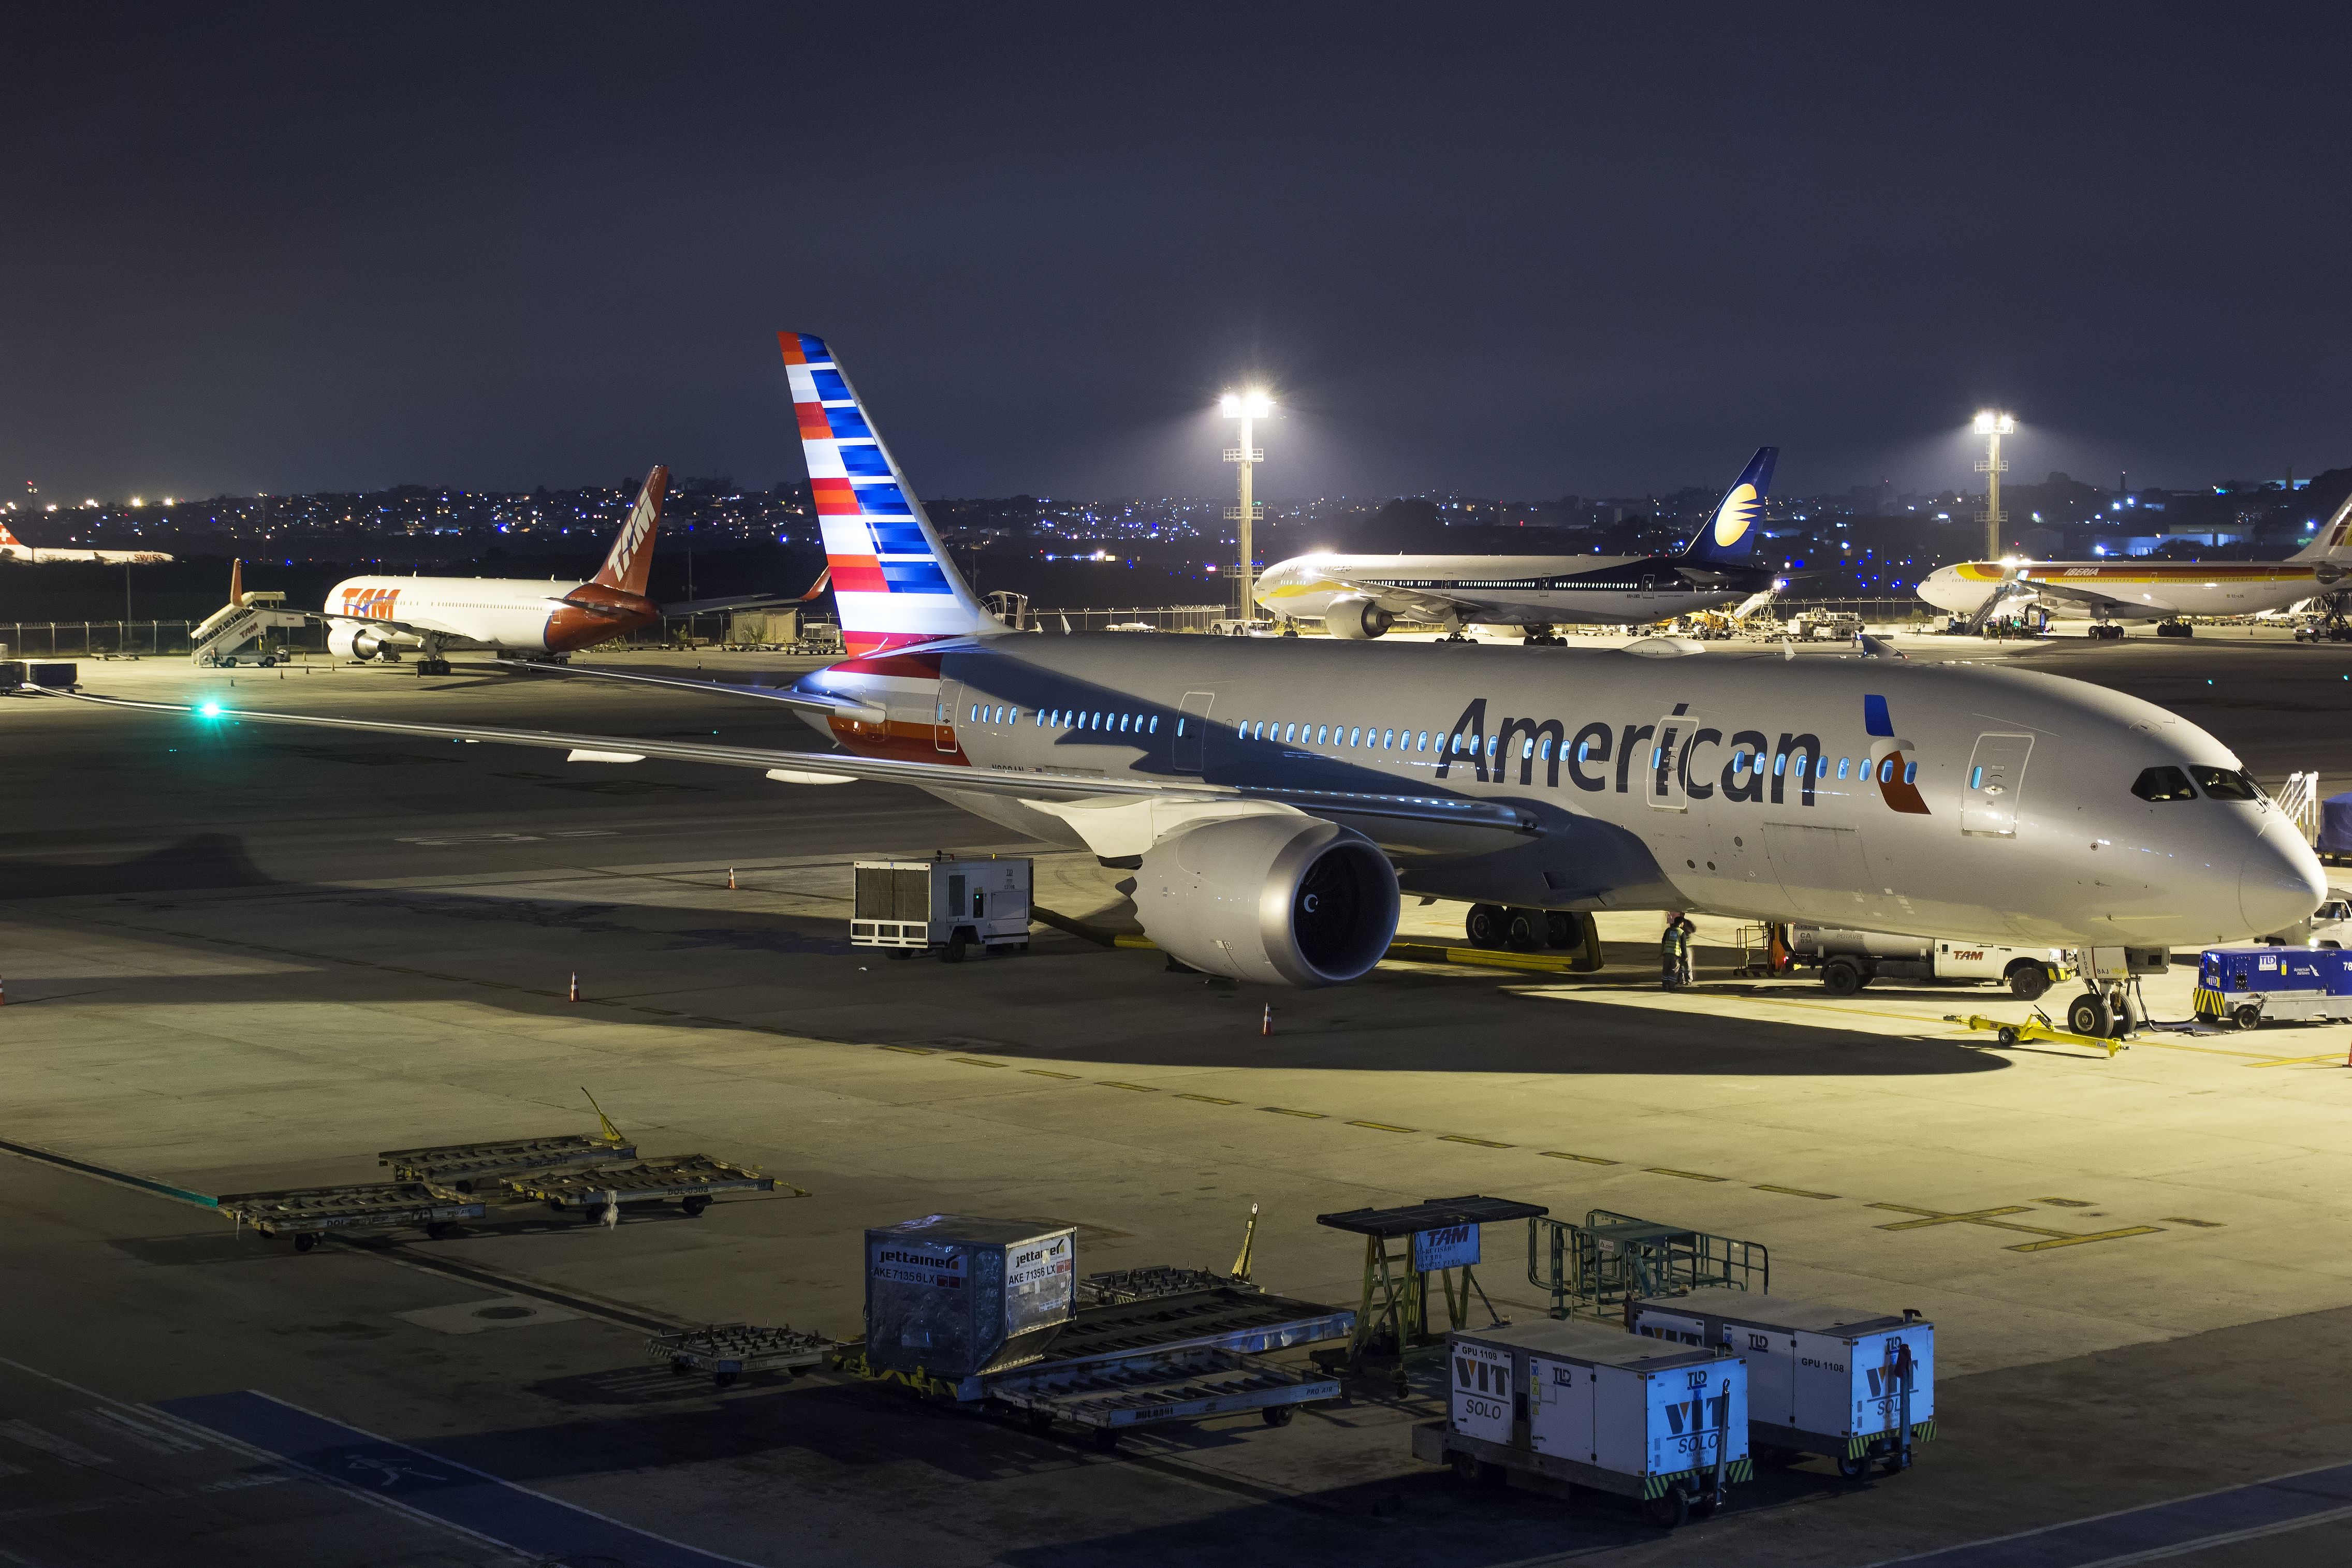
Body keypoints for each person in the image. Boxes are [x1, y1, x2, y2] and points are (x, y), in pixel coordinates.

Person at [1660, 912, 1696, 990]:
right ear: (1681, 923)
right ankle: (1673, 986)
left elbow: (1664, 941)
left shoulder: (1669, 930)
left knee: (1666, 970)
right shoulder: (1681, 932)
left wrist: (1662, 952)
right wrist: (1685, 955)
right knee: (1675, 970)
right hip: (1676, 952)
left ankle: (1665, 986)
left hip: (1667, 952)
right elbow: (1683, 945)